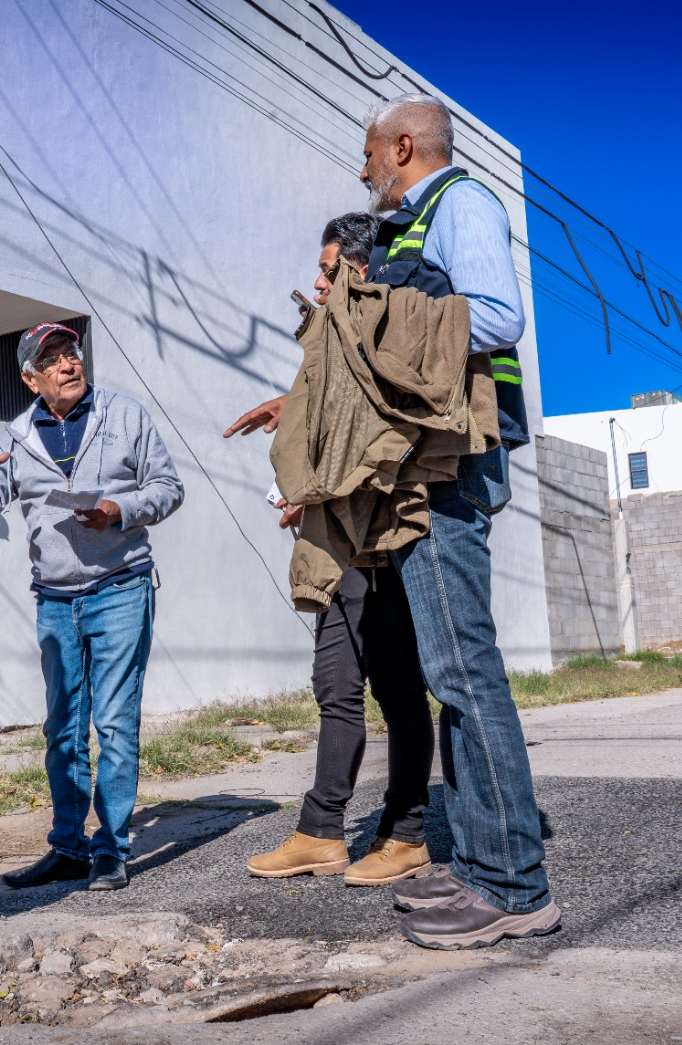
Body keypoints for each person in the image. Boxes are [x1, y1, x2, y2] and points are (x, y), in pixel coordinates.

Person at [226, 95, 560, 950]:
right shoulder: (412, 227)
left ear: (403, 146)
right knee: (451, 674)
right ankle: (482, 866)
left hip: (447, 469)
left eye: (370, 153)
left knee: (463, 672)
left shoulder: (460, 204)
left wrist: (366, 320)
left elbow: (496, 317)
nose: (364, 168)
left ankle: (513, 885)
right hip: (423, 469)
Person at [234, 213, 437, 889]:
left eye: (328, 272)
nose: (317, 285)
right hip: (341, 537)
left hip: (386, 535)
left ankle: (405, 833)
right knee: (336, 684)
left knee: (398, 689)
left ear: (360, 269)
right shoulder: (332, 336)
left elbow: (383, 423)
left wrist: (321, 487)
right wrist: (292, 411)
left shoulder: (385, 327)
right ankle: (322, 833)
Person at [0, 324, 183, 892]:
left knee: (114, 723)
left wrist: (118, 510)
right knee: (62, 729)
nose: (67, 364)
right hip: (55, 599)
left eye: (71, 353)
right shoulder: (18, 435)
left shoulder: (124, 415)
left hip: (120, 588)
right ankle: (68, 847)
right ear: (30, 379)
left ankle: (111, 848)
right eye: (51, 360)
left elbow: (168, 487)